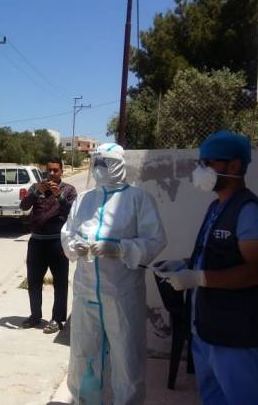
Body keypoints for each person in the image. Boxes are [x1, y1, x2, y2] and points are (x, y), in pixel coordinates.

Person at [155, 131, 258, 405]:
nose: (200, 169)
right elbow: (218, 255)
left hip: (237, 333)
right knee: (213, 397)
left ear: (233, 166)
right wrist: (185, 265)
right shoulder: (216, 207)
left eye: (207, 163)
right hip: (207, 328)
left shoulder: (250, 212)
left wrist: (198, 277)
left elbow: (257, 270)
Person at [60, 143, 167, 404]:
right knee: (83, 355)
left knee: (126, 358)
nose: (99, 168)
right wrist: (74, 246)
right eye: (96, 163)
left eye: (104, 163)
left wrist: (120, 249)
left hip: (121, 294)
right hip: (86, 292)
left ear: (118, 165)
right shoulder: (84, 200)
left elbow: (155, 240)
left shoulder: (137, 199)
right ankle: (86, 400)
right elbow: (68, 233)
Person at [19, 157, 77, 333]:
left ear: (61, 171)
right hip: (36, 243)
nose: (51, 173)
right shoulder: (36, 188)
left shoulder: (69, 190)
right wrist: (36, 192)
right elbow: (23, 206)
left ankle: (57, 319)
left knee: (60, 283)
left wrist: (59, 195)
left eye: (55, 170)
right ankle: (35, 316)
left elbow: (74, 211)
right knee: (34, 281)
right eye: (49, 170)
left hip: (58, 243)